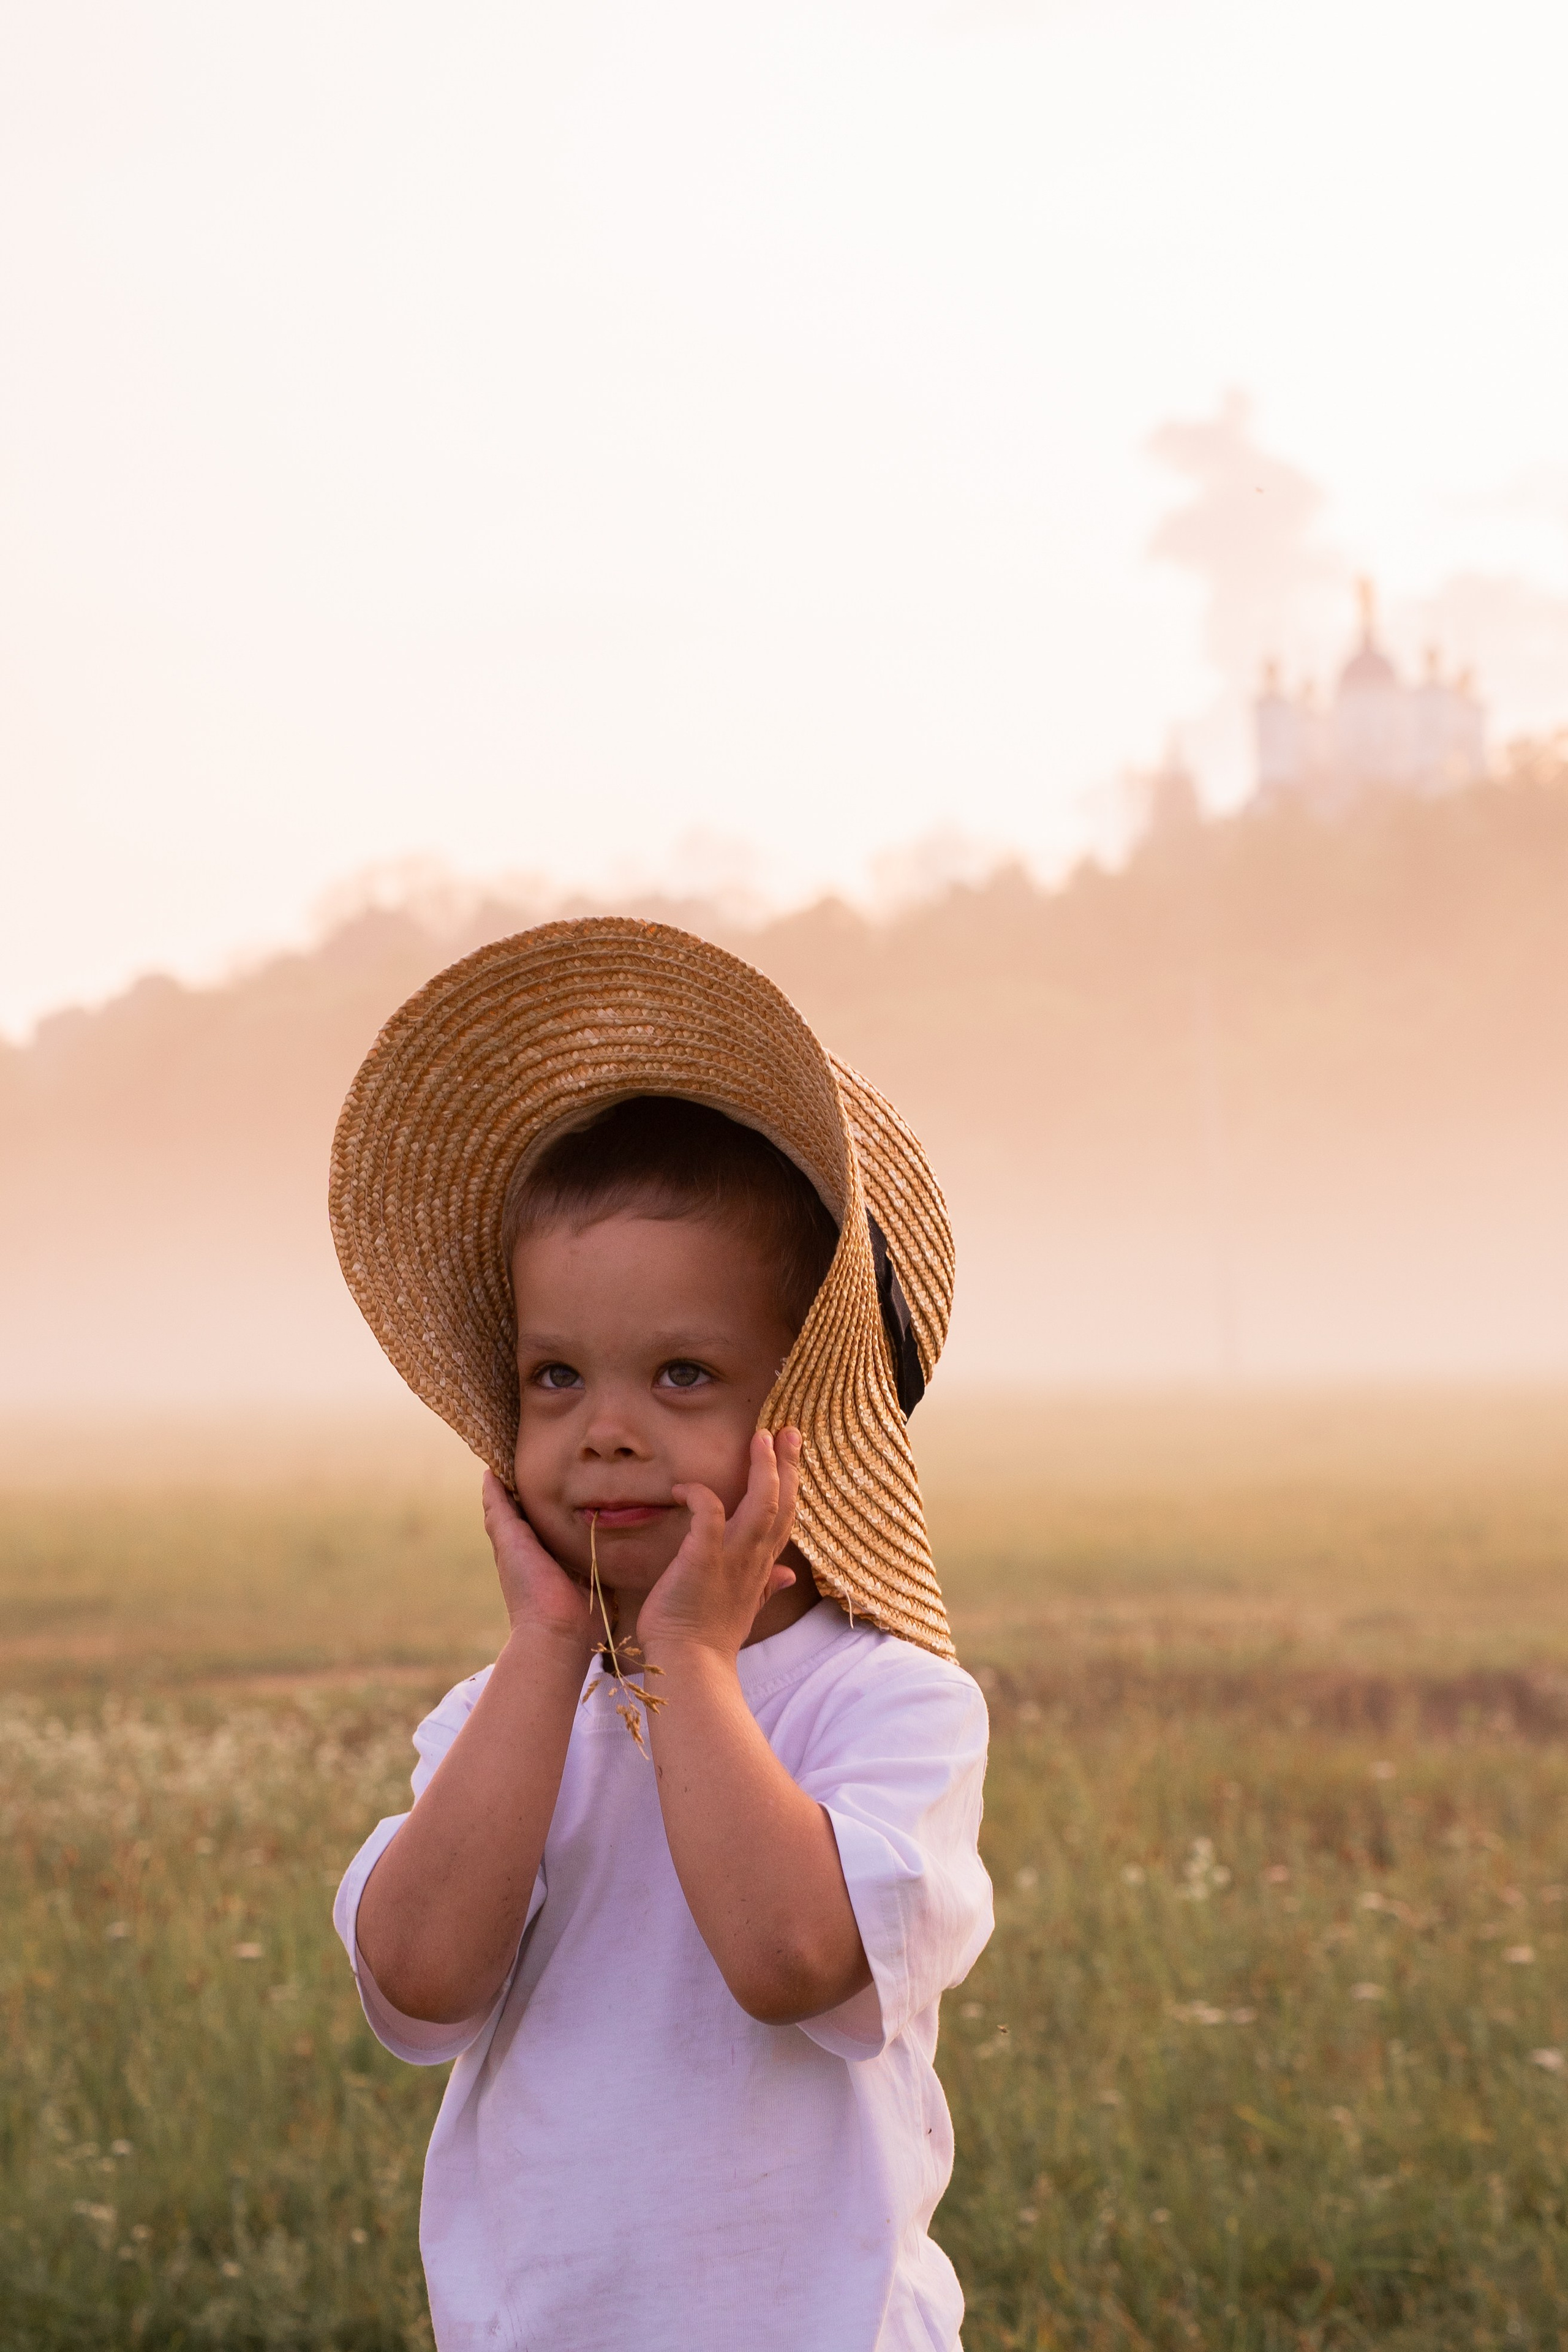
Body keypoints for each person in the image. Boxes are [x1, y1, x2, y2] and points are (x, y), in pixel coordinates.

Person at [329, 919, 993, 2352]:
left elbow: (792, 1958)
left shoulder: (888, 1706)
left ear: (806, 1417)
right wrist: (545, 1651)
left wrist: (690, 1663)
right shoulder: (498, 1718)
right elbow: (418, 1976)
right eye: (554, 1376)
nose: (604, 1431)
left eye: (680, 1374)